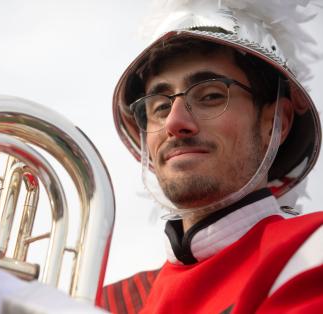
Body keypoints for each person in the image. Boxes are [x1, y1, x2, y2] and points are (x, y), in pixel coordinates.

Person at [100, 0, 323, 313]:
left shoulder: (311, 251)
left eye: (211, 96)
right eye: (160, 106)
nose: (175, 123)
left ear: (277, 123)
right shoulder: (111, 303)